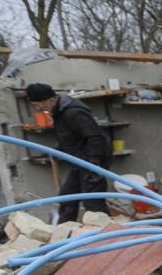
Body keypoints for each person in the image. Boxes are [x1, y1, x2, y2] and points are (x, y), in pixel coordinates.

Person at [25, 83, 111, 223]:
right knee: (67, 197)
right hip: (80, 161)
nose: (37, 108)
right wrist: (58, 151)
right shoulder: (59, 111)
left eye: (37, 104)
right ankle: (64, 233)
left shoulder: (73, 112)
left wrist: (94, 165)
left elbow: (95, 137)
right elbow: (69, 136)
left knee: (93, 203)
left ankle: (106, 236)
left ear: (49, 100)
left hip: (93, 160)